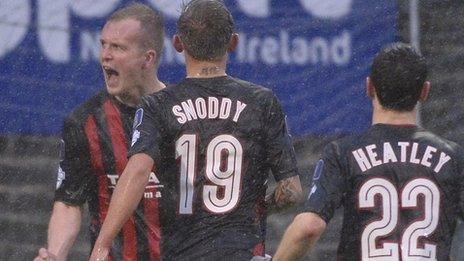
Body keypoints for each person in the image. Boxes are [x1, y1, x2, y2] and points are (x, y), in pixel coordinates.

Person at [89, 0, 303, 260]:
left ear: (178, 44)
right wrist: (254, 208)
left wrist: (103, 242)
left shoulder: (159, 105)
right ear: (233, 43)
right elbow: (292, 190)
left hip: (184, 253)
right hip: (243, 252)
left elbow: (137, 171)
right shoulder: (261, 101)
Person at [274, 43, 464, 261]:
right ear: (424, 92)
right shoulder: (452, 157)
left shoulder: (343, 153)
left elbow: (309, 227)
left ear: (369, 87)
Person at [34, 3, 166, 261]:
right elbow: (69, 202)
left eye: (118, 47)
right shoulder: (85, 122)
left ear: (147, 59)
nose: (105, 55)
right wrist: (55, 255)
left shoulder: (182, 114)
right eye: (103, 44)